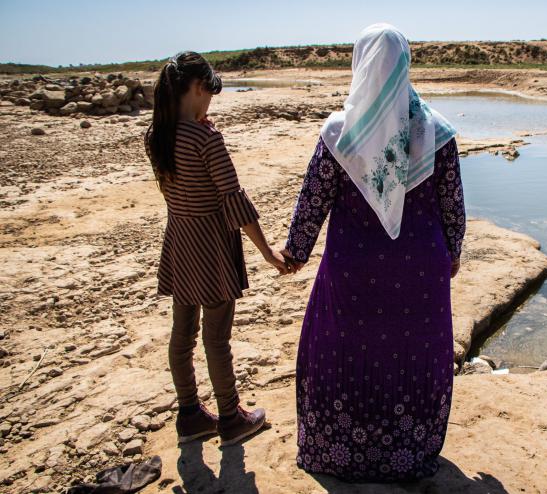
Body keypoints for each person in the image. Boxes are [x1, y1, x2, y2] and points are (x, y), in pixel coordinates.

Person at [282, 24, 466, 481]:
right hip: (421, 269)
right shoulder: (437, 131)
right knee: (413, 355)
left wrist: (296, 251)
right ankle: (408, 450)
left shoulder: (338, 133)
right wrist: (454, 253)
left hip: (352, 272)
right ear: (406, 65)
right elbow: (453, 204)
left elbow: (313, 199)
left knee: (345, 351)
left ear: (359, 64)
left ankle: (340, 451)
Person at [144, 51, 290, 447]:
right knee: (216, 338)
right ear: (196, 88)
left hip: (179, 243)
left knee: (182, 333)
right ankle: (230, 417)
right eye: (209, 93)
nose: (211, 102)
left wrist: (196, 126)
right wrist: (267, 252)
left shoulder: (157, 135)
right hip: (211, 246)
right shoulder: (206, 139)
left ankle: (189, 414)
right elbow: (233, 200)